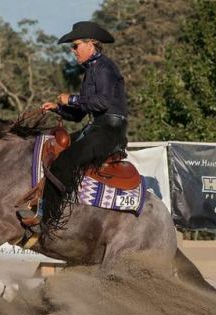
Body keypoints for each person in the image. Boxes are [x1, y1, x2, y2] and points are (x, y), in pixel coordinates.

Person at [20, 21, 129, 234]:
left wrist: (70, 98)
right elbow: (79, 114)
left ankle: (48, 222)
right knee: (51, 149)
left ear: (91, 44)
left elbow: (102, 103)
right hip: (97, 127)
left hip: (110, 130)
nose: (72, 50)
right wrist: (57, 109)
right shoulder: (91, 71)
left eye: (76, 45)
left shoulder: (104, 68)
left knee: (65, 161)